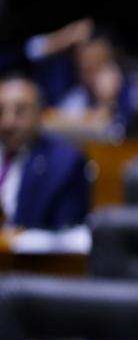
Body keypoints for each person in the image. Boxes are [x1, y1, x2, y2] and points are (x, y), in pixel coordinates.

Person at [0, 71, 90, 230]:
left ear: (40, 113)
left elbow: (68, 235)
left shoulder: (65, 164)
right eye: (0, 111)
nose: (8, 122)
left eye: (20, 111)